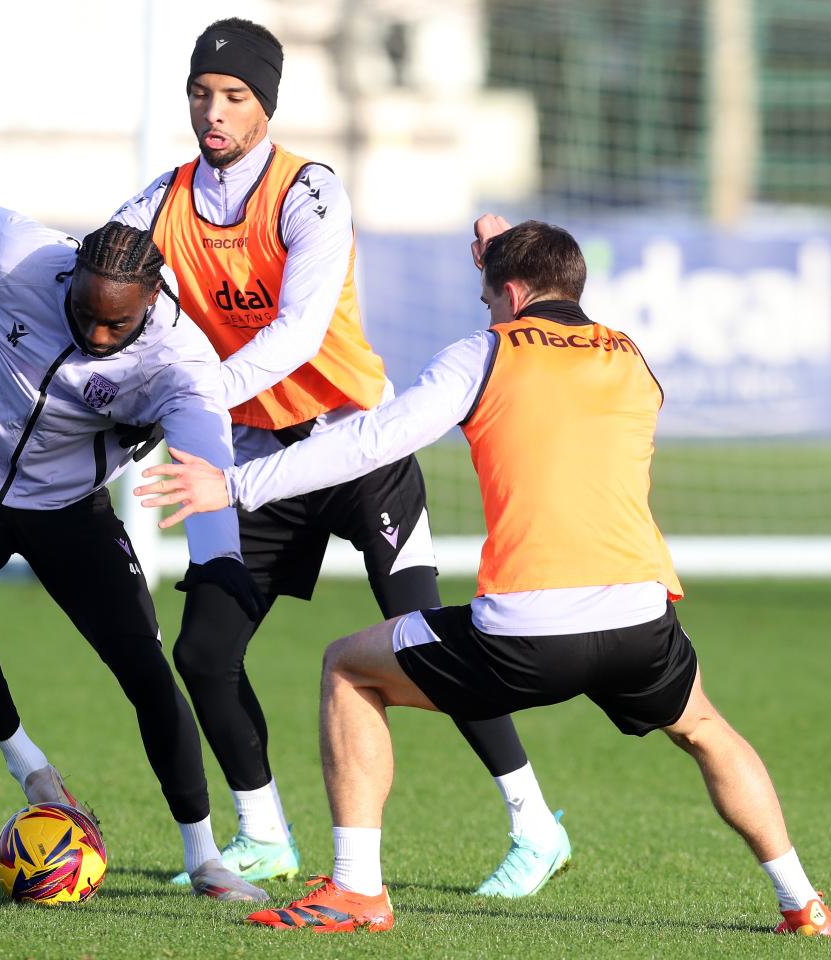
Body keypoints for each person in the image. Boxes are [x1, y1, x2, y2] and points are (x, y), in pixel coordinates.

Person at [133, 216, 831, 936]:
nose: (485, 311)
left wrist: (238, 485)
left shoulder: (483, 354)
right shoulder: (631, 357)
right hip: (639, 619)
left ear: (507, 292)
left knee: (348, 667)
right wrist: (508, 271)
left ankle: (356, 892)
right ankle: (802, 901)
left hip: (530, 630)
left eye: (487, 297)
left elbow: (376, 438)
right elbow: (553, 333)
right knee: (708, 731)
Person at [111, 17, 568, 897]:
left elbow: (298, 334)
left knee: (433, 646)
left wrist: (194, 399)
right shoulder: (162, 201)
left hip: (358, 449)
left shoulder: (308, 191)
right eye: (202, 93)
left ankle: (535, 824)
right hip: (255, 461)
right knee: (204, 652)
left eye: (234, 96)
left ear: (265, 105)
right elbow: (100, 264)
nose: (214, 109)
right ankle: (265, 835)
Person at [0, 194, 272, 901]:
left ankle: (205, 859)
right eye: (86, 315)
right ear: (69, 278)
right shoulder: (22, 258)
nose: (100, 335)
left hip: (68, 505)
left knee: (144, 669)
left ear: (152, 301)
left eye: (118, 323)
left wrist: (219, 557)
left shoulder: (179, 364)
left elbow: (204, 463)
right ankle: (34, 771)